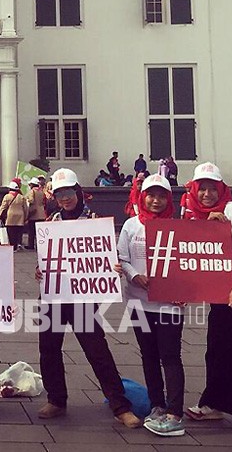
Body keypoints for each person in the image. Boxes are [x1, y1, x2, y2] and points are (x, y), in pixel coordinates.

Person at [35, 168, 142, 428]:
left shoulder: (95, 221)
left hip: (83, 296)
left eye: (69, 192)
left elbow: (107, 256)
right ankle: (57, 399)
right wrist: (40, 269)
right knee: (49, 349)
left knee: (97, 350)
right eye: (60, 194)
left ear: (78, 192)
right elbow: (44, 259)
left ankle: (119, 405)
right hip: (54, 295)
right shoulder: (51, 223)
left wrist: (112, 266)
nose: (65, 199)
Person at [183, 162, 232, 423]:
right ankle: (215, 403)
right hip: (222, 286)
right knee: (220, 345)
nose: (207, 195)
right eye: (202, 189)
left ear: (222, 189)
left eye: (213, 189)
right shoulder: (199, 217)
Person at [116, 174, 186, 436]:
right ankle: (157, 405)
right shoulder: (132, 225)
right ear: (142, 196)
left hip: (169, 304)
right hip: (139, 302)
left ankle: (174, 411)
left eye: (161, 196)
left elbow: (189, 264)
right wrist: (135, 275)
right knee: (148, 355)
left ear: (168, 199)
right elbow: (122, 258)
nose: (155, 201)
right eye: (151, 195)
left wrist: (184, 291)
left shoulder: (178, 227)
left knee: (170, 356)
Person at [0, 180, 28, 251]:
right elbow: (25, 208)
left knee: (11, 232)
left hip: (10, 216)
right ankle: (19, 243)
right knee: (19, 231)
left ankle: (13, 246)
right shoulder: (21, 197)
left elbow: (3, 207)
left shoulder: (7, 196)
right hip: (20, 216)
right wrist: (25, 217)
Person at [24, 178, 46, 250]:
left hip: (34, 214)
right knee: (39, 232)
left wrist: (26, 199)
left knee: (31, 231)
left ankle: (31, 245)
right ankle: (40, 245)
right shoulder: (41, 191)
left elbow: (31, 200)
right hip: (42, 213)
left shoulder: (32, 191)